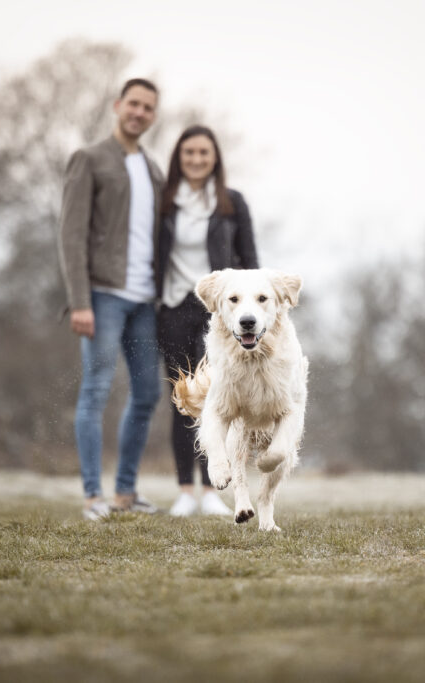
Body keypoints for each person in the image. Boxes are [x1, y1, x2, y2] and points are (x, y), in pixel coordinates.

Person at [58, 78, 165, 521]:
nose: (139, 112)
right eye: (133, 104)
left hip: (145, 302)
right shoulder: (89, 159)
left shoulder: (154, 169)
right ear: (117, 105)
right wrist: (79, 300)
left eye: (148, 108)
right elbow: (71, 233)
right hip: (102, 297)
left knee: (146, 394)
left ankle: (124, 493)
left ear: (154, 116)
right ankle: (91, 497)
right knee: (96, 392)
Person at [155, 125, 259, 516]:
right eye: (189, 153)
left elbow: (250, 261)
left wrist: (253, 309)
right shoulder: (164, 204)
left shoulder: (232, 202)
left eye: (204, 153)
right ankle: (185, 490)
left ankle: (217, 489)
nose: (197, 160)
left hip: (221, 312)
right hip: (173, 309)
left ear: (215, 158)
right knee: (183, 399)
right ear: (179, 159)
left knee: (220, 399)